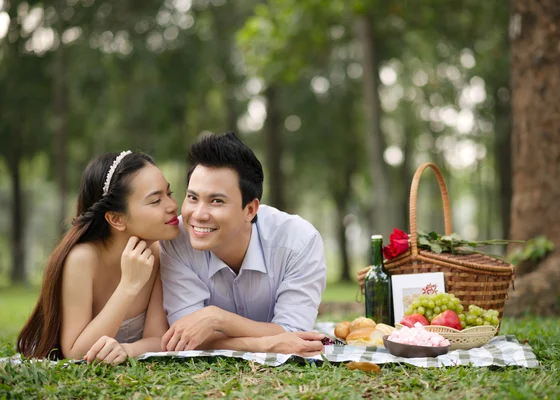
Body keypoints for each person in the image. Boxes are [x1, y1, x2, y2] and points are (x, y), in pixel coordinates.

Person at [160, 132, 327, 356]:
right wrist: (263, 344)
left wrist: (216, 318)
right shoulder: (176, 240)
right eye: (192, 198)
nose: (198, 215)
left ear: (250, 209)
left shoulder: (299, 243)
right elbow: (186, 336)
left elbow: (294, 334)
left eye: (216, 201)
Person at [17, 151, 179, 365]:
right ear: (115, 218)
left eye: (170, 193)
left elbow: (159, 339)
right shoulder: (82, 260)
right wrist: (129, 285)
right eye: (156, 200)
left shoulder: (159, 253)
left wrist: (126, 350)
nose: (173, 205)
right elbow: (76, 353)